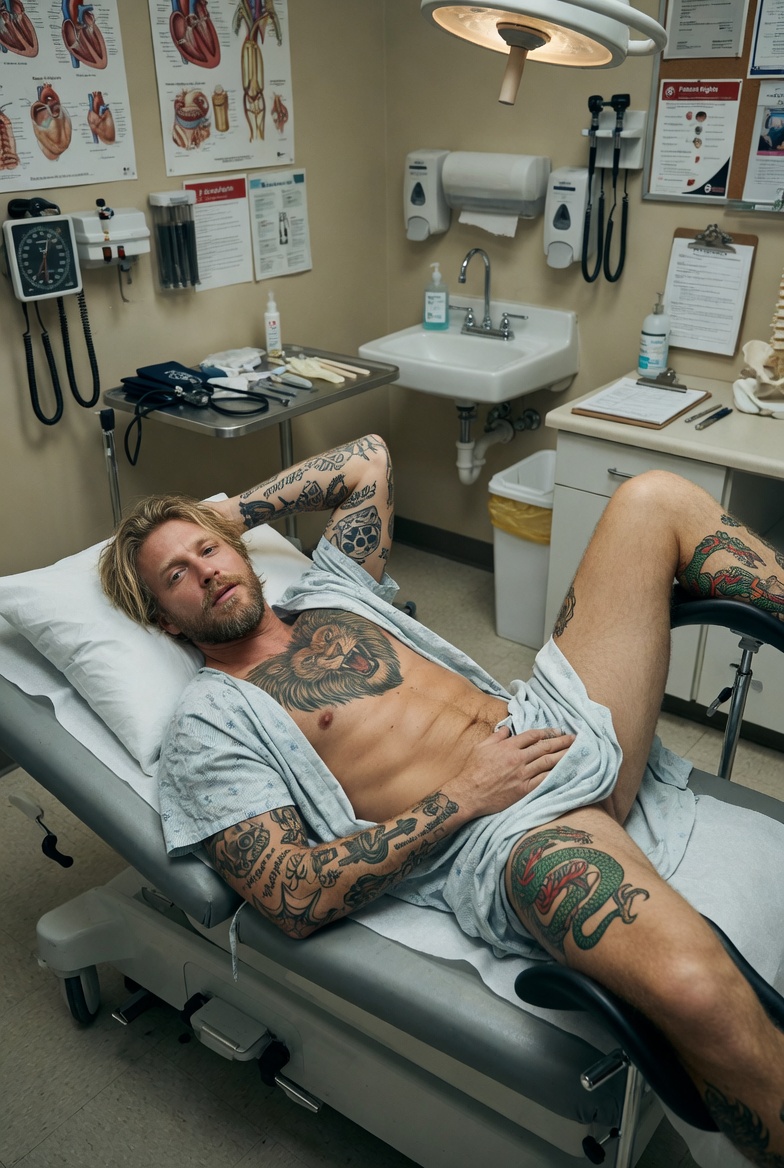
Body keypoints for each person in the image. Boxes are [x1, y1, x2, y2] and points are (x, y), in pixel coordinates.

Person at [100, 433, 784, 1166]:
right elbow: (293, 895)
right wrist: (465, 796)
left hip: (550, 719)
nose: (205, 572)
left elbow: (368, 459)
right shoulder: (210, 721)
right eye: (177, 574)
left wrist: (223, 514)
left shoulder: (331, 586)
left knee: (652, 499)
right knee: (694, 991)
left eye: (209, 552)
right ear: (167, 620)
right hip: (507, 831)